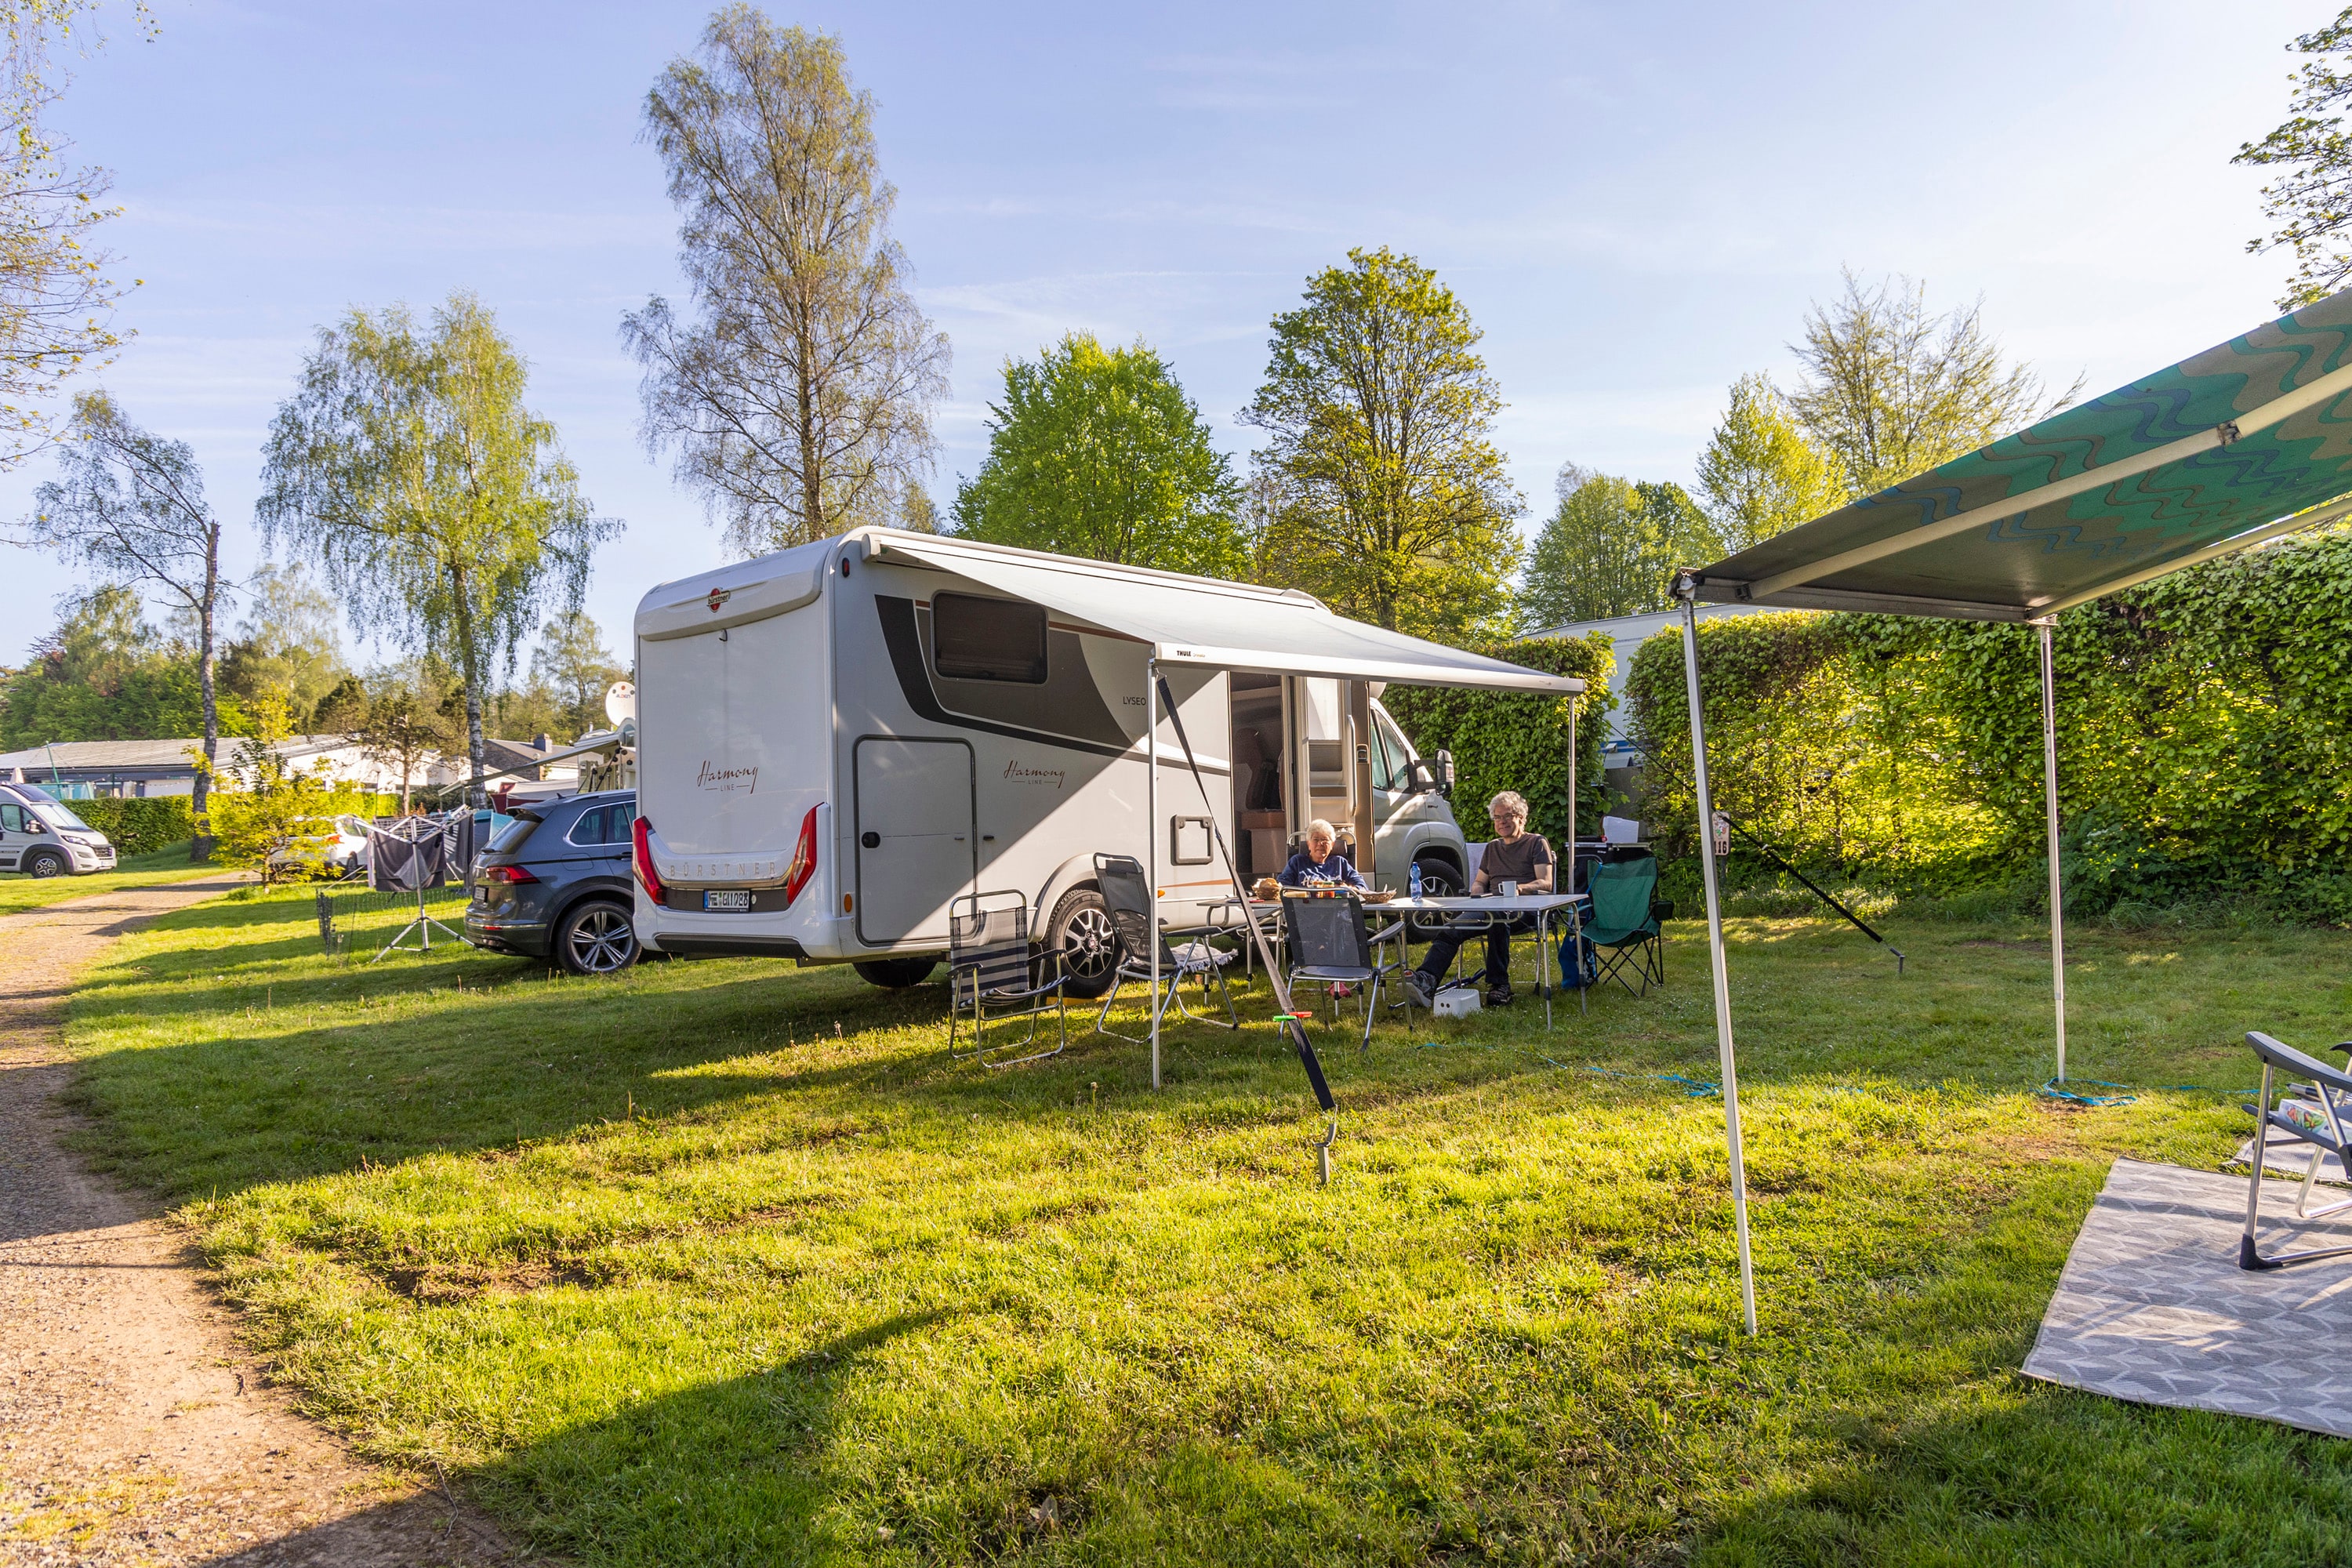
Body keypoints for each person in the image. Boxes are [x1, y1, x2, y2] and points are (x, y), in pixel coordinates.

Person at [1406, 790, 1553, 1007]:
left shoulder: (1536, 843)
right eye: (1497, 817)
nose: (1501, 822)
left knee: (1498, 919)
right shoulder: (1493, 847)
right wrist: (1476, 891)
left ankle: (1500, 985)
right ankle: (1426, 980)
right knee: (1451, 928)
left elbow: (1546, 882)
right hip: (1489, 905)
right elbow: (1480, 881)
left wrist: (1519, 889)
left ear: (1521, 817)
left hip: (1525, 909)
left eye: (1507, 816)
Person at [1276, 818, 1368, 889]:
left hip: (1336, 910)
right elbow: (1282, 887)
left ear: (1332, 844)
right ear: (1308, 844)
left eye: (1325, 840)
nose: (1320, 844)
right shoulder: (1297, 861)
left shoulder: (1340, 863)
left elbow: (1361, 886)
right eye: (1316, 840)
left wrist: (1348, 889)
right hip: (1304, 910)